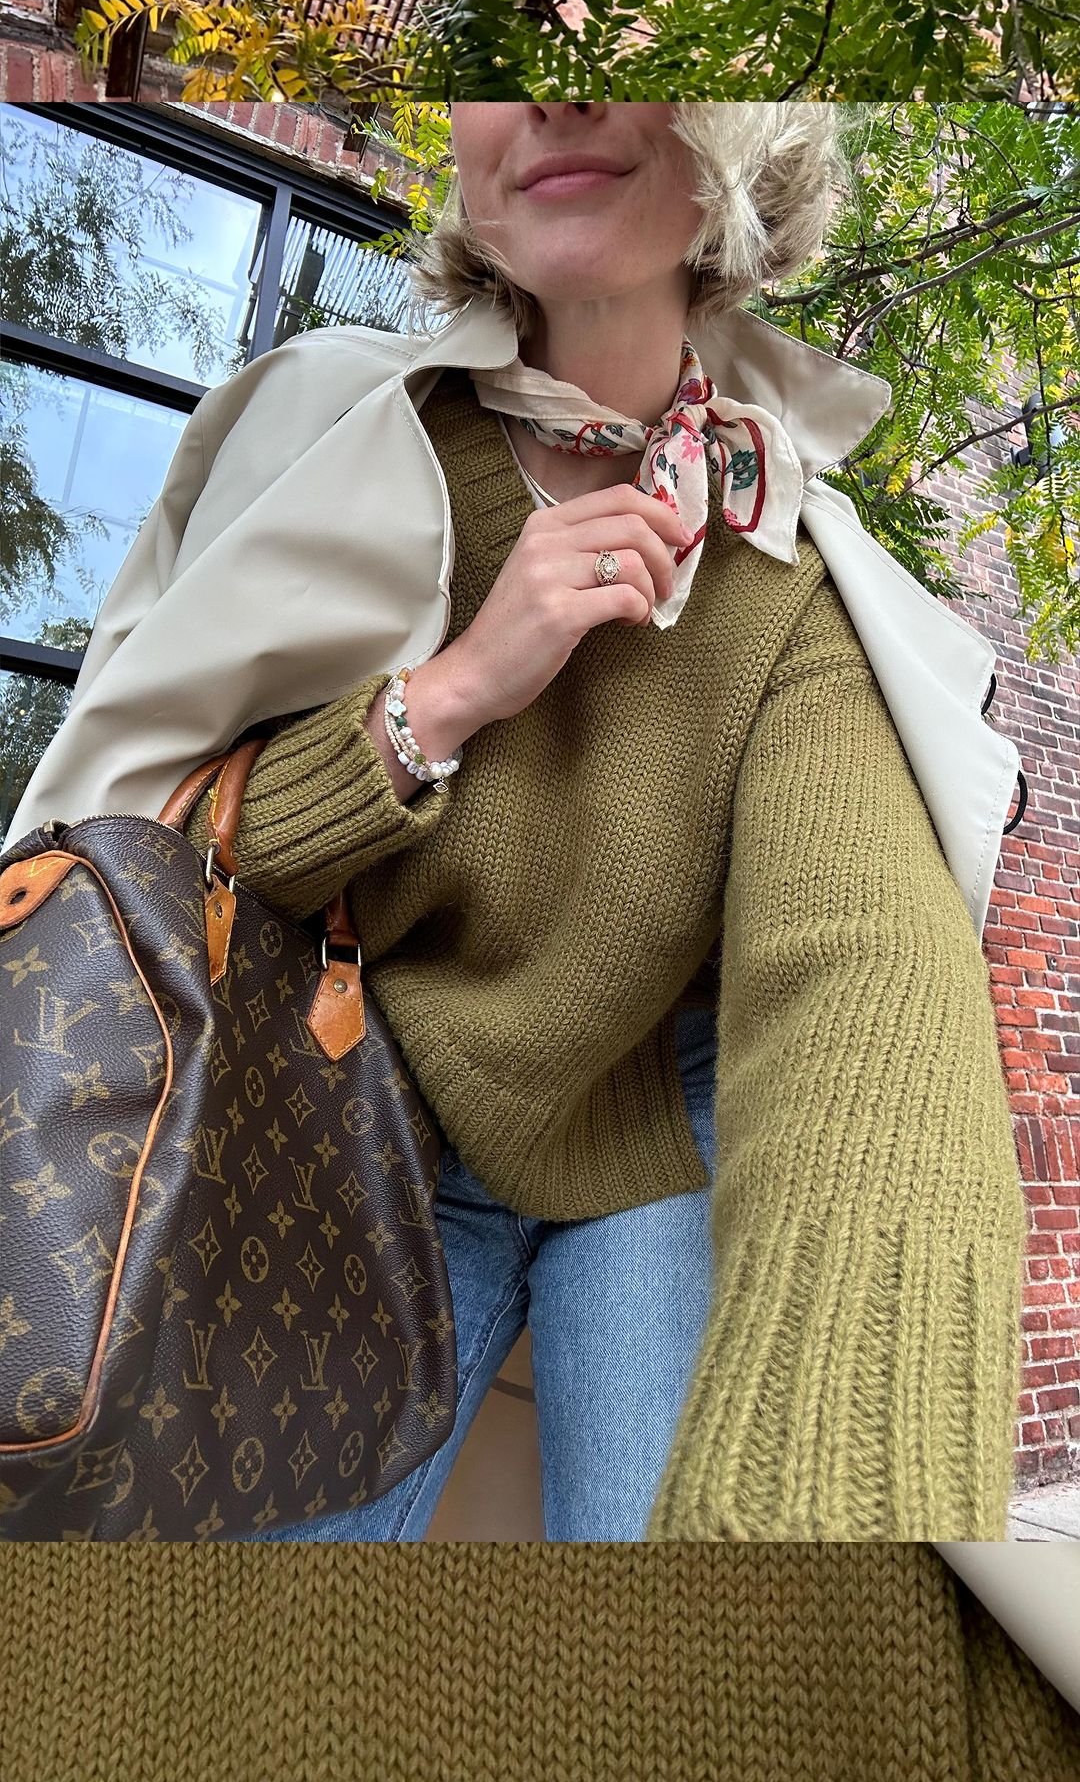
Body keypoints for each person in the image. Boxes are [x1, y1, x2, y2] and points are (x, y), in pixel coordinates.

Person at [2, 103, 1028, 1544]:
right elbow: (173, 870)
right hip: (352, 1105)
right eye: (517, 52)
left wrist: (852, 1537)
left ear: (748, 146)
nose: (560, 93)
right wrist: (456, 689)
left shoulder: (794, 579)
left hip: (648, 1140)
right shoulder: (332, 437)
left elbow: (863, 987)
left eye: (635, 55)